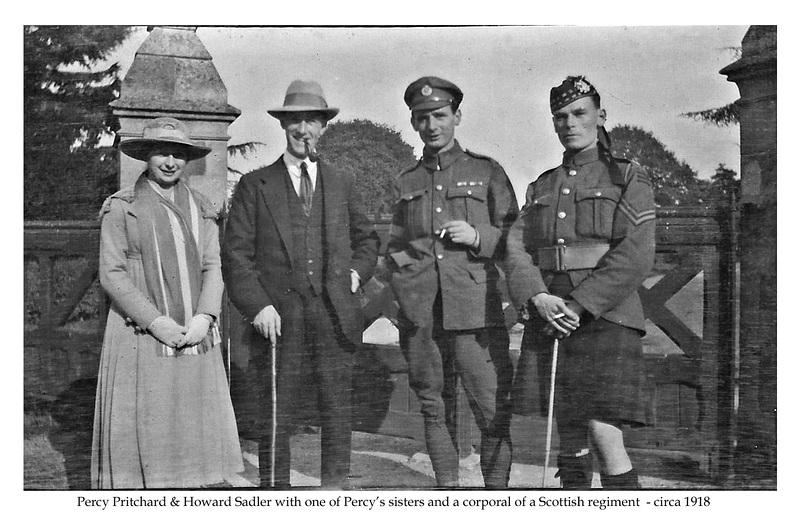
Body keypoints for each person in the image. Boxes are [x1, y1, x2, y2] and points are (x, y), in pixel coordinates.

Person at [222, 80, 379, 489]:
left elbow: (367, 240)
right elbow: (235, 254)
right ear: (284, 125)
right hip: (278, 316)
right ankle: (276, 493)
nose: (303, 129)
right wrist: (258, 306)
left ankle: (333, 492)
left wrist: (356, 274)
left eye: (312, 121)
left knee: (336, 409)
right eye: (295, 121)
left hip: (334, 314)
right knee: (278, 411)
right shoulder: (255, 185)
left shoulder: (342, 181)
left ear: (323, 126)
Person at [504, 76, 656, 489]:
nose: (569, 123)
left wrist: (578, 304)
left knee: (605, 435)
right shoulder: (543, 185)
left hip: (605, 317)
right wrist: (537, 295)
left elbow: (635, 254)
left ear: (600, 116)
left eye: (579, 113)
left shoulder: (627, 177)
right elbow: (516, 247)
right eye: (560, 116)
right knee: (568, 437)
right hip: (550, 314)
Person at [91, 117, 244, 489]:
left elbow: (213, 265)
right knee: (148, 410)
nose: (170, 162)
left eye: (178, 153)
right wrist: (155, 321)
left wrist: (205, 318)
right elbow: (112, 273)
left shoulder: (202, 208)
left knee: (191, 412)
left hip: (193, 324)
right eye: (162, 152)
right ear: (146, 156)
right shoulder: (121, 207)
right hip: (140, 327)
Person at [387, 76, 519, 488]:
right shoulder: (406, 180)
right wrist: (404, 294)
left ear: (457, 117)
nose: (432, 125)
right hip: (422, 315)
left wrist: (479, 237)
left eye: (440, 116)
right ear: (413, 123)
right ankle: (448, 494)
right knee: (432, 407)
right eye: (422, 118)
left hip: (475, 312)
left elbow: (517, 237)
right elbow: (394, 246)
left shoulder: (486, 171)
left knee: (492, 410)